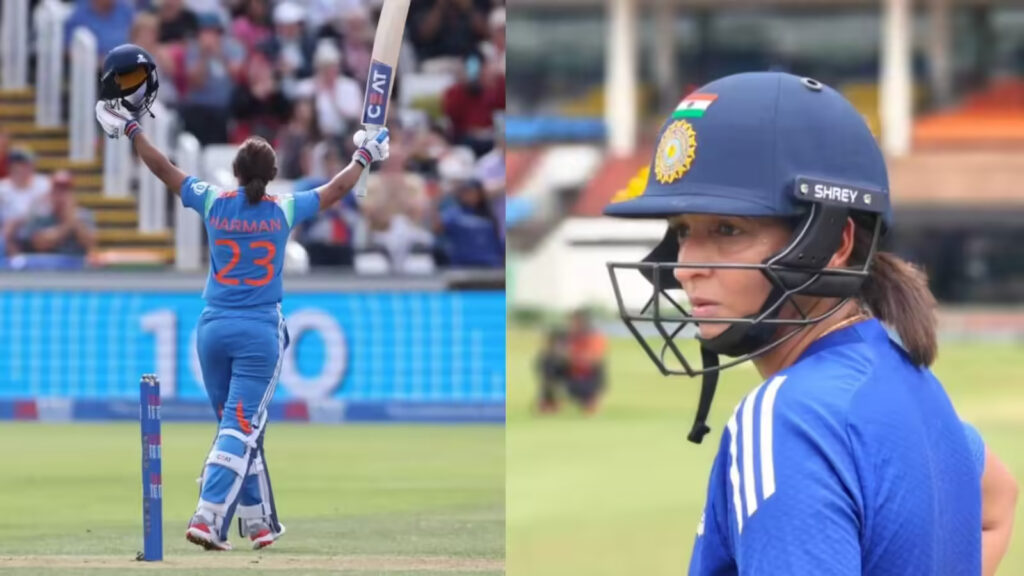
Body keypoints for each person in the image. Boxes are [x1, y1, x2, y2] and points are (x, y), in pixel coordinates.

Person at [602, 72, 1018, 575]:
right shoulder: (912, 383)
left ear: (834, 244)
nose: (687, 265)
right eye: (684, 231)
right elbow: (995, 504)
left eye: (727, 230)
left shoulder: (789, 416)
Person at [94, 46, 390, 550]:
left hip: (211, 329)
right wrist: (365, 154)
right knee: (240, 425)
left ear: (234, 172)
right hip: (257, 331)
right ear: (271, 174)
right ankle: (208, 517)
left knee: (239, 427)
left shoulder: (213, 201)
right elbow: (337, 190)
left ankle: (257, 521)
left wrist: (131, 129)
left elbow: (164, 169)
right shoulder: (281, 210)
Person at [535, 309, 608, 414]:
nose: (572, 325)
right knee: (547, 362)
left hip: (587, 376)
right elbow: (555, 351)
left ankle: (590, 401)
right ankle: (550, 401)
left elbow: (591, 359)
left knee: (599, 368)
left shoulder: (594, 337)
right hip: (569, 372)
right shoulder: (566, 336)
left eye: (576, 322)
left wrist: (570, 355)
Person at [15, 170, 97, 258]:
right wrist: (68, 223)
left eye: (65, 190)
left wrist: (74, 220)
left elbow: (90, 244)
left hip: (77, 267)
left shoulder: (84, 215)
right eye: (56, 190)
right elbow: (40, 244)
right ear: (50, 193)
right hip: (47, 267)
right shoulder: (41, 214)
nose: (60, 195)